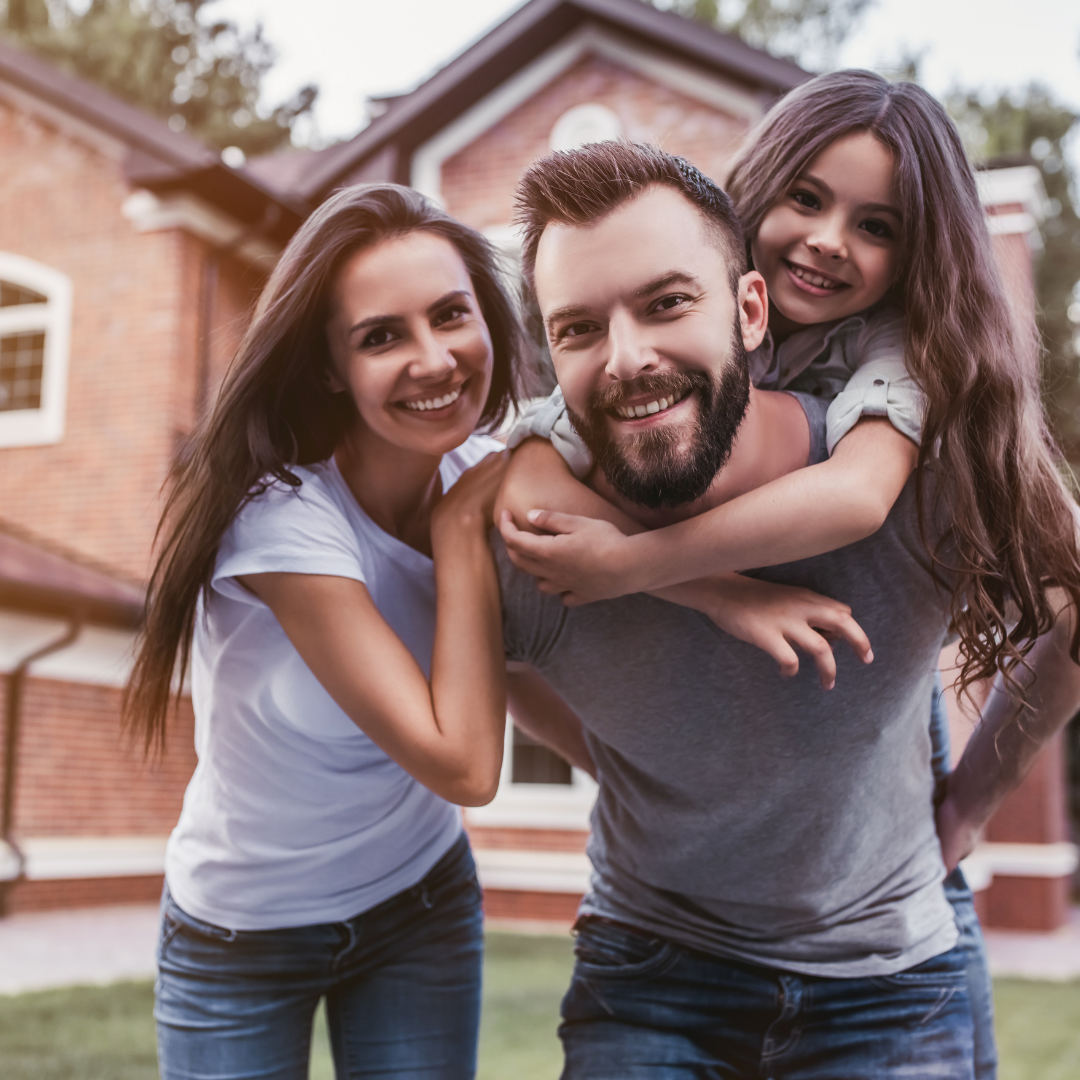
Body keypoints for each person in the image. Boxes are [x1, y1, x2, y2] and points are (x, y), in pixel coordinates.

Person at [499, 72, 1057, 1076]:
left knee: (921, 866)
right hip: (663, 934)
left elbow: (855, 498)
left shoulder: (907, 357)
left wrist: (975, 800)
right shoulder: (657, 342)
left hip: (883, 889)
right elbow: (522, 491)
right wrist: (649, 740)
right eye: (805, 198)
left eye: (876, 223)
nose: (830, 240)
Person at [123, 183, 522, 1080]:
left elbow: (536, 653)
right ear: (331, 366)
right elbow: (464, 764)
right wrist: (461, 533)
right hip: (241, 933)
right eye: (382, 336)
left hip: (419, 900)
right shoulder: (283, 519)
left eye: (451, 315)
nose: (435, 360)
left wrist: (734, 601)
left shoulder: (489, 469)